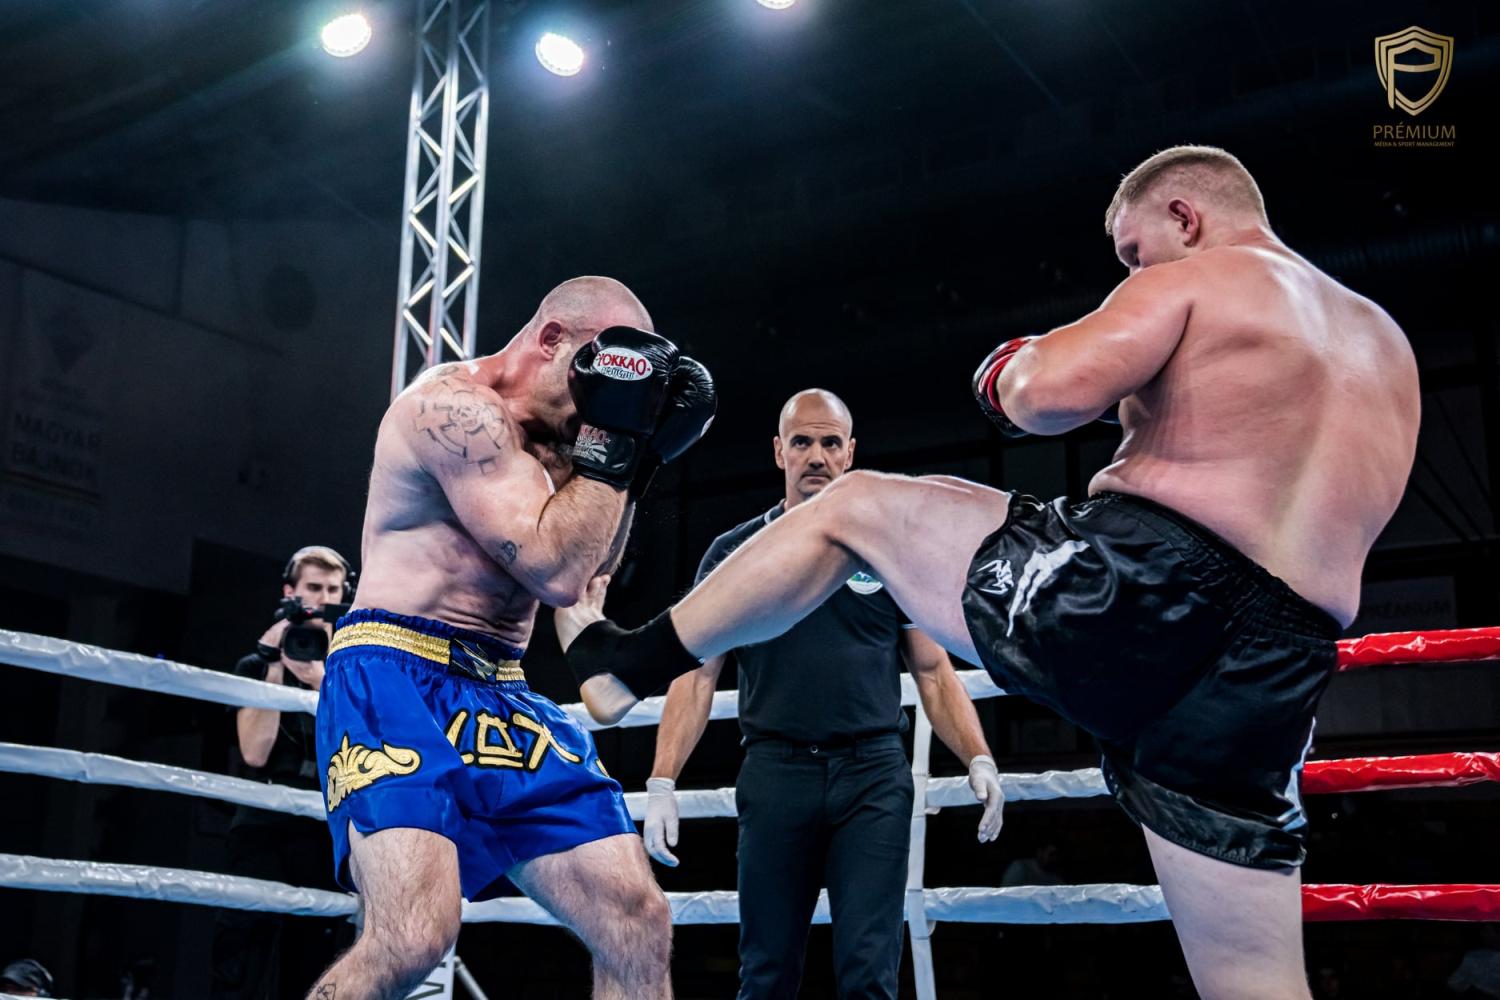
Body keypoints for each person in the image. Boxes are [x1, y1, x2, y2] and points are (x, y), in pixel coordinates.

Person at [561, 147, 1421, 1000]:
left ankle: (623, 662)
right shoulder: (1386, 345)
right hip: (1277, 670)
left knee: (855, 505)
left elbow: (1045, 395)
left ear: (1184, 217)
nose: (1133, 271)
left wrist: (1012, 368)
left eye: (1134, 252)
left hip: (1144, 588)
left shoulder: (1204, 274)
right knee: (1255, 982)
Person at [306, 276, 716, 1000]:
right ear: (552, 339)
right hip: (394, 672)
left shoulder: (569, 441)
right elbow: (555, 570)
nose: (602, 400)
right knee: (413, 937)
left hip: (500, 687)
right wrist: (618, 443)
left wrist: (641, 458)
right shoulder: (453, 410)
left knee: (636, 920)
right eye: (598, 369)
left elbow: (591, 573)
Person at [568, 389, 1001, 1000]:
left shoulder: (889, 554)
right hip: (776, 773)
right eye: (802, 442)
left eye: (830, 443)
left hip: (873, 776)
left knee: (870, 974)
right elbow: (697, 675)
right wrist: (662, 780)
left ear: (850, 453)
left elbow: (932, 671)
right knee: (766, 973)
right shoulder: (735, 552)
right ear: (779, 452)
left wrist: (978, 757)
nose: (816, 455)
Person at [211, 546, 354, 999]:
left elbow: (364, 745)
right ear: (290, 592)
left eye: (332, 589)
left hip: (324, 829)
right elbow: (255, 753)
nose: (323, 598)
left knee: (313, 960)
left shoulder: (353, 670)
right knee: (241, 952)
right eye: (313, 588)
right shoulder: (256, 665)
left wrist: (320, 681)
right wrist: (274, 665)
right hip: (261, 825)